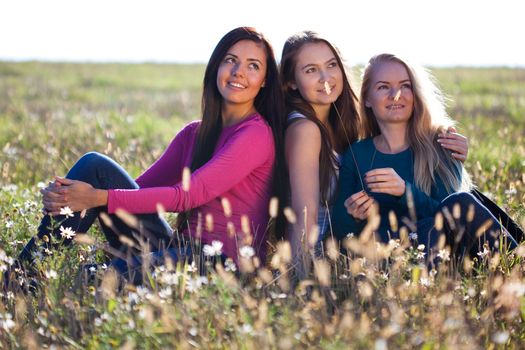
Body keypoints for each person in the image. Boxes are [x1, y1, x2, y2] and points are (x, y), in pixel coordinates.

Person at [14, 27, 286, 284]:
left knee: (100, 276)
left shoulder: (256, 135)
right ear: (216, 66)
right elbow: (135, 190)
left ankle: (34, 281)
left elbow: (187, 196)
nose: (239, 72)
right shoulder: (194, 133)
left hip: (221, 265)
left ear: (264, 82)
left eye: (253, 66)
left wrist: (97, 198)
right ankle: (24, 276)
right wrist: (67, 195)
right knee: (94, 167)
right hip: (177, 248)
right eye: (231, 60)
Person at [331, 53, 516, 260]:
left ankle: (517, 266)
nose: (396, 95)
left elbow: (454, 215)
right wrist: (352, 216)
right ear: (366, 98)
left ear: (416, 93)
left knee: (457, 204)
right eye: (383, 87)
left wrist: (405, 193)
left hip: (446, 255)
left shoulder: (441, 144)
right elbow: (339, 232)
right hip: (390, 262)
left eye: (405, 85)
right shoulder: (356, 154)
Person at [279, 31, 361, 275]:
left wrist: (442, 137)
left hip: (342, 256)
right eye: (311, 70)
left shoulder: (342, 123)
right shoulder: (305, 129)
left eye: (331, 65)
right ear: (291, 82)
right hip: (317, 262)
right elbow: (304, 214)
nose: (326, 77)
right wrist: (299, 280)